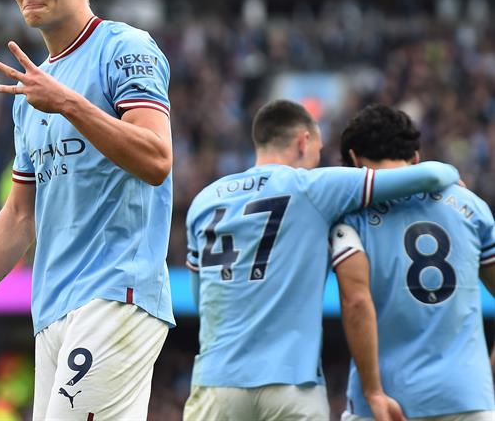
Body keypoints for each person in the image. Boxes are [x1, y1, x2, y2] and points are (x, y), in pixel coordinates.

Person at [0, 0, 174, 420]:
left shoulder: (125, 47)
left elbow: (157, 159)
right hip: (52, 306)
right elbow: (20, 215)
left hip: (116, 291)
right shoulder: (31, 95)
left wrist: (67, 103)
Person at [184, 99, 461, 421]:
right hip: (290, 384)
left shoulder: (205, 199)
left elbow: (200, 300)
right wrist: (452, 175)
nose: (317, 157)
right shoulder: (312, 188)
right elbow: (428, 176)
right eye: (318, 147)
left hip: (216, 383)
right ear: (303, 140)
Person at [330, 104, 495, 421]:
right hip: (466, 398)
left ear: (352, 159)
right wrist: (485, 376)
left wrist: (372, 391)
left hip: (384, 402)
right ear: (416, 157)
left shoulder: (351, 216)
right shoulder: (470, 205)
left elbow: (356, 302)